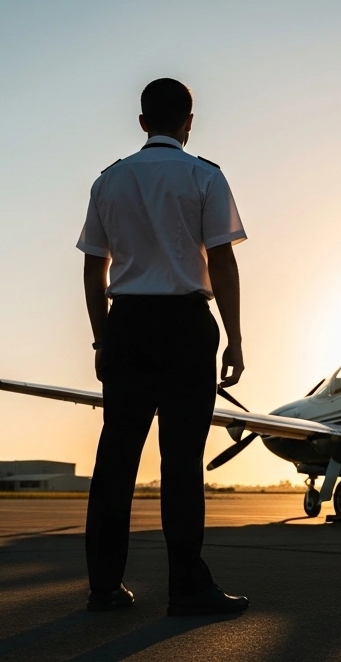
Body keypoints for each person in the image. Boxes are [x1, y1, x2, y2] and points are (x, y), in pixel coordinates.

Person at [75, 77, 249, 616]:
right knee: (181, 461)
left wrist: (103, 336)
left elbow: (92, 265)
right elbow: (221, 259)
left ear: (144, 121)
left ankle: (103, 586)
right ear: (188, 123)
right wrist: (235, 337)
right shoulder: (205, 176)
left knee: (115, 460)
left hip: (127, 323)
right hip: (185, 327)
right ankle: (187, 587)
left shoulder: (109, 181)